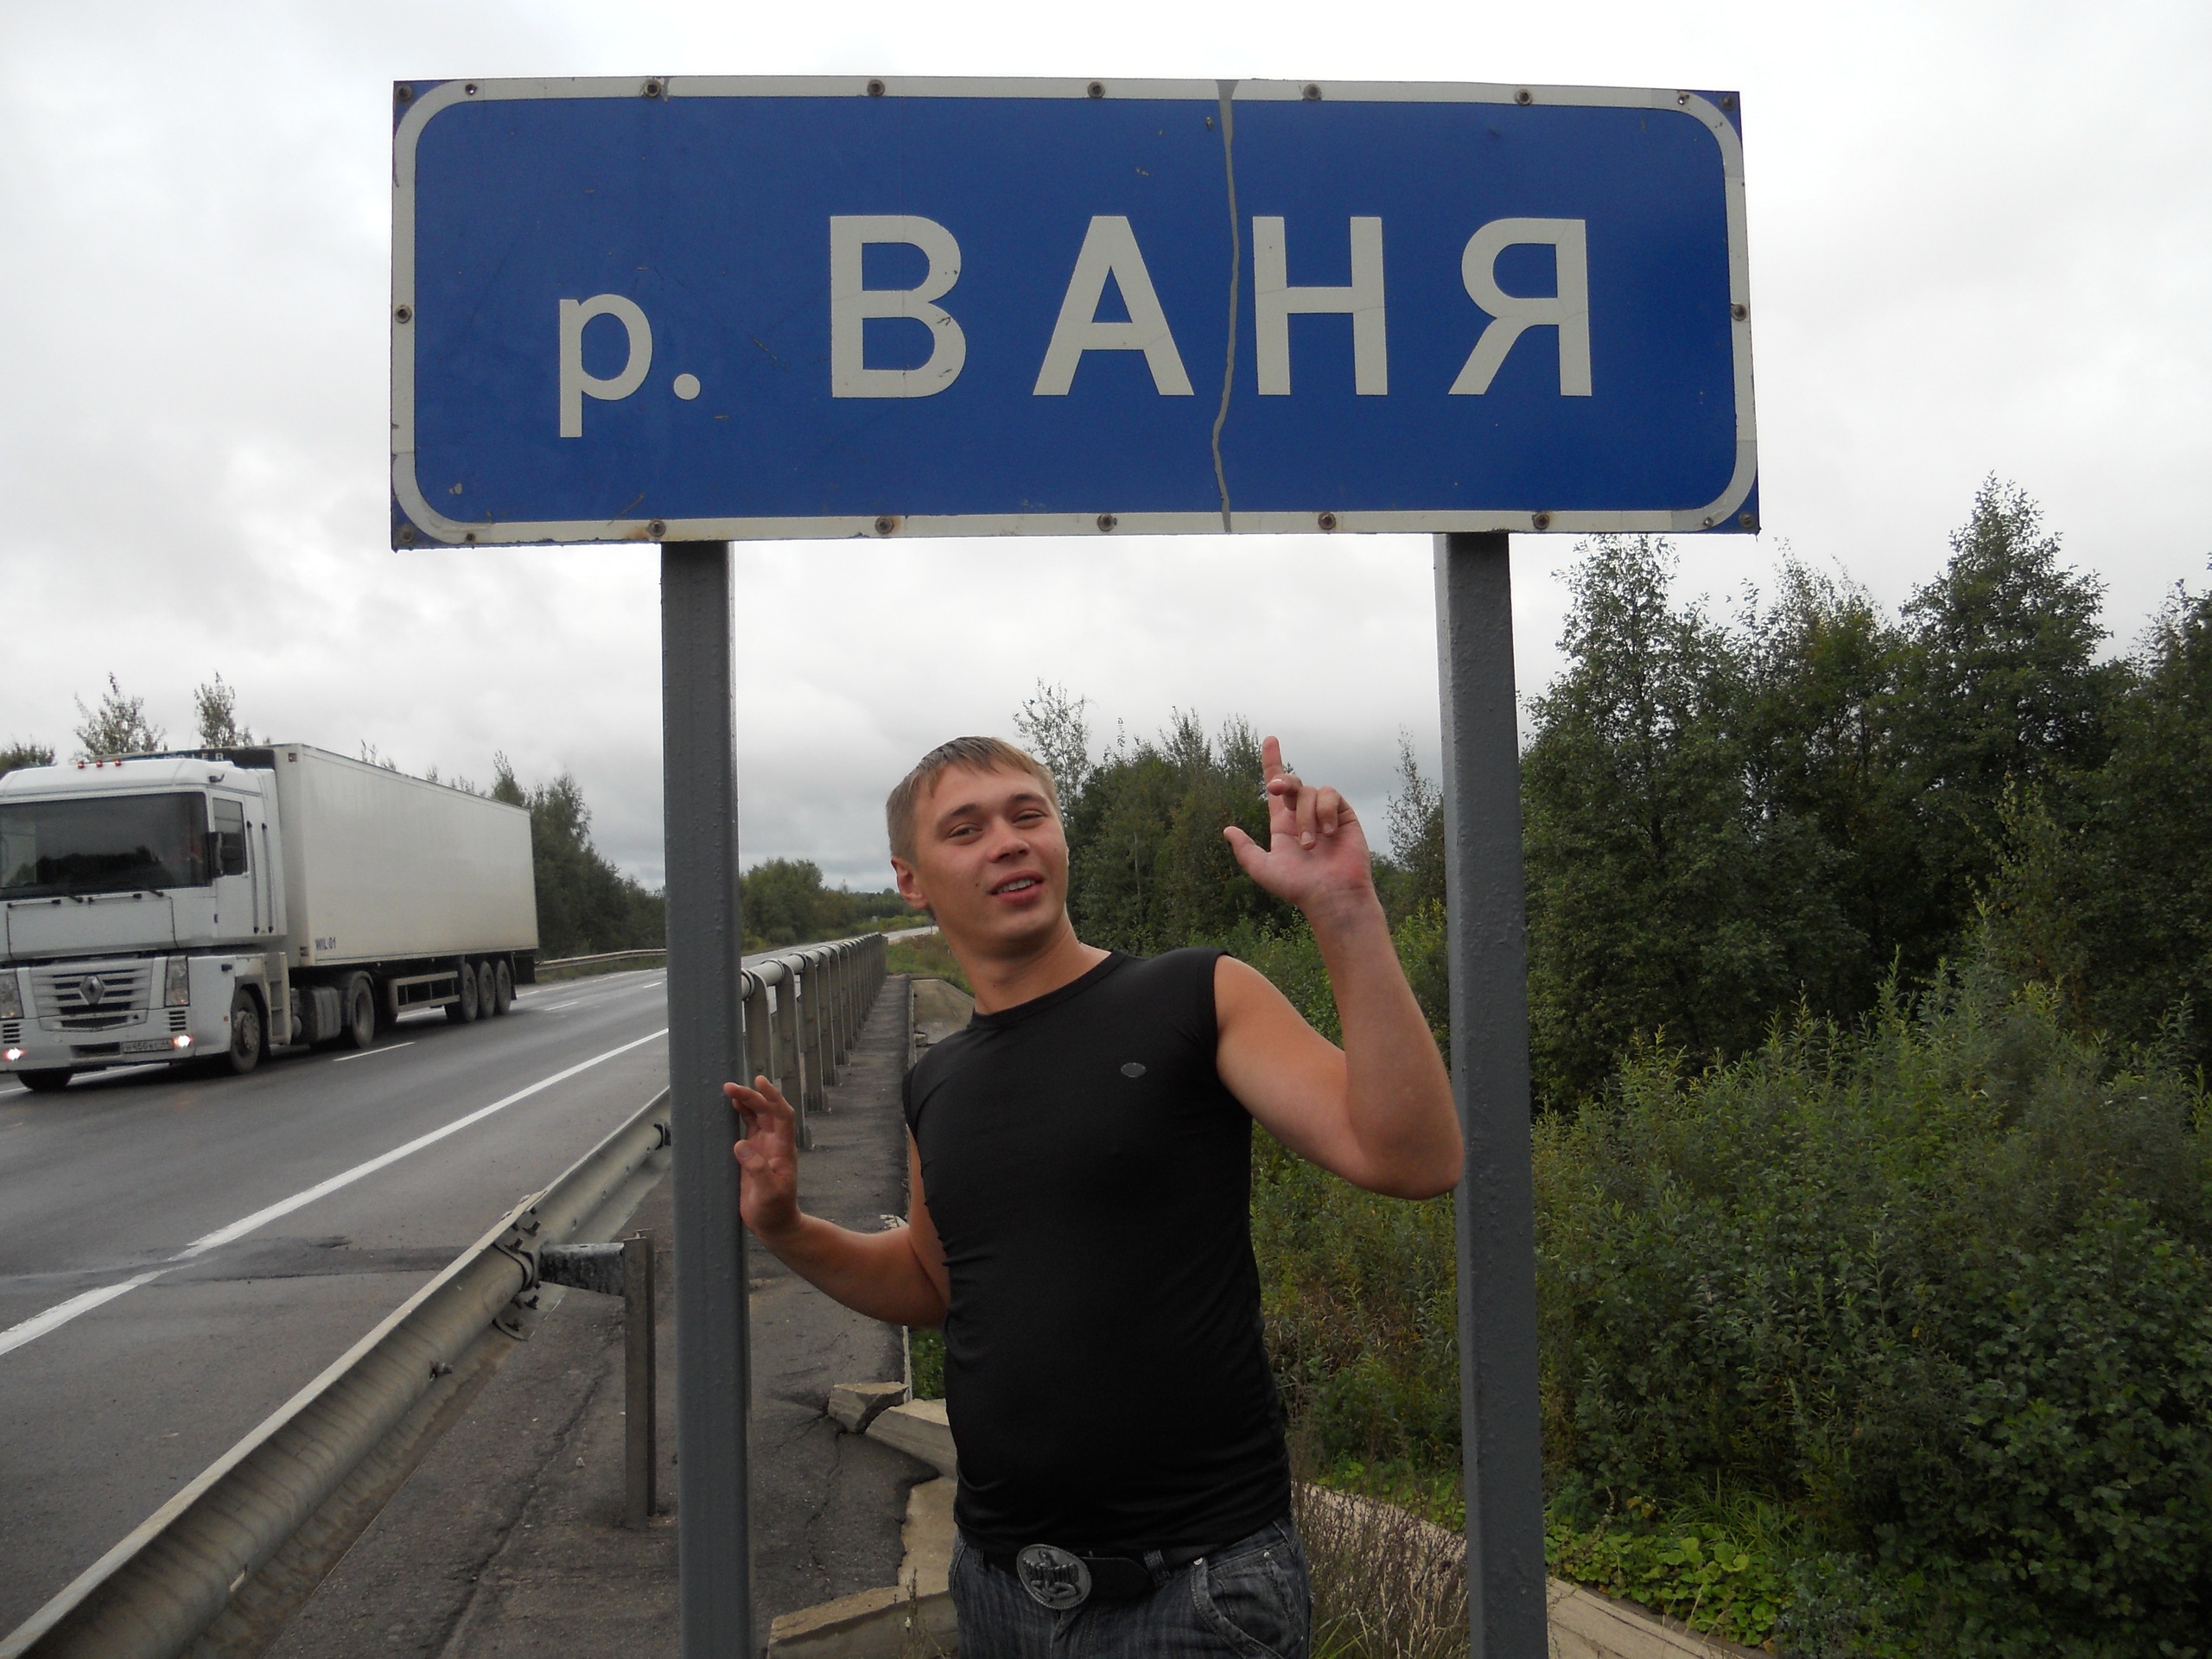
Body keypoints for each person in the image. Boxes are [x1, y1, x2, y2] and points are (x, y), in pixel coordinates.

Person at [726, 733, 1460, 1658]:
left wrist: (1344, 909)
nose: (1008, 841)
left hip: (1196, 1593)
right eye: (966, 829)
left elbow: (1411, 1156)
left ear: (1060, 839)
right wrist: (786, 1226)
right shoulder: (936, 1083)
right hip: (998, 1588)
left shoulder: (1194, 996)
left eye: (1028, 814)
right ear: (910, 880)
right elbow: (934, 1284)